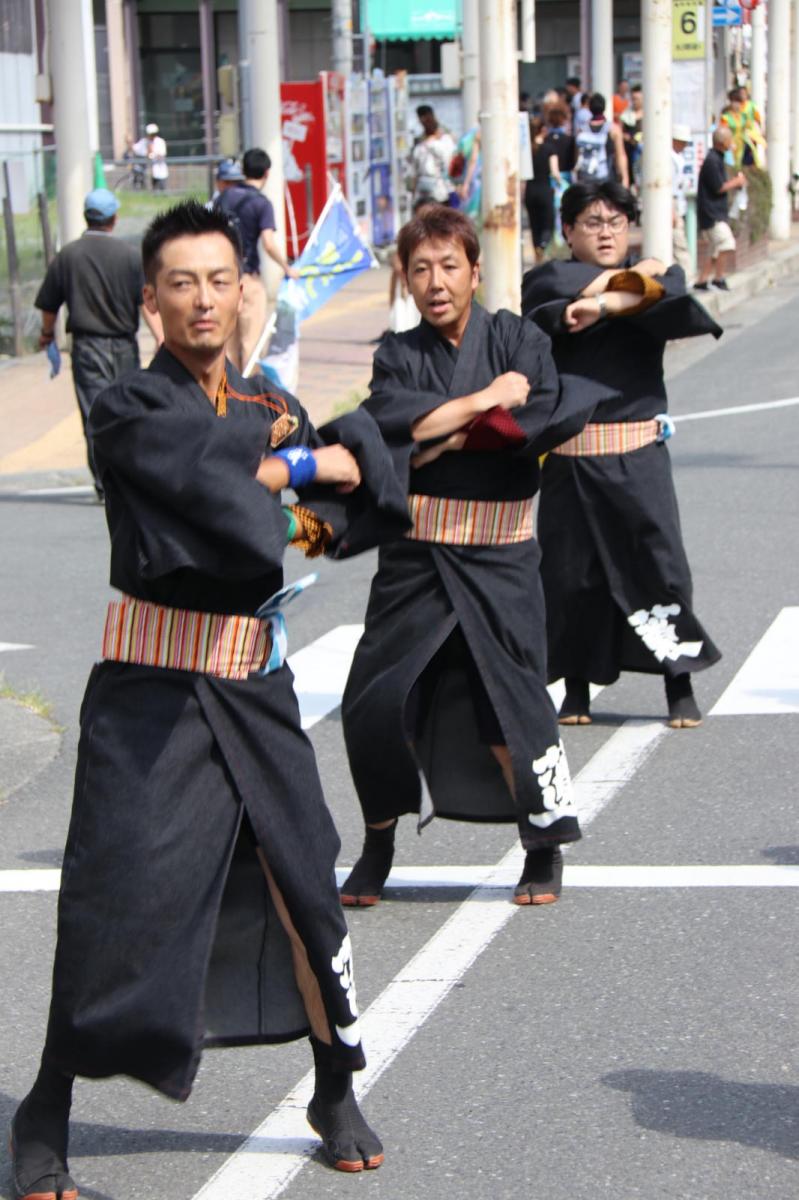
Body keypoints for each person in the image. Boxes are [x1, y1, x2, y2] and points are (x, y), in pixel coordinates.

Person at [8, 201, 411, 1200]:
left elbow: (317, 528)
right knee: (114, 902)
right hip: (150, 693)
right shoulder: (127, 409)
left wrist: (306, 486)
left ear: (243, 291)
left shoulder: (266, 396)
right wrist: (300, 464)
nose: (200, 300)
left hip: (254, 684)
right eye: (179, 283)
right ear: (149, 302)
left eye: (218, 280)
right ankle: (46, 1107)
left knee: (306, 887)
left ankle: (333, 1085)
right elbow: (213, 488)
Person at [338, 206, 610, 910]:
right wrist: (481, 403)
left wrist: (434, 437)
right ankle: (377, 845)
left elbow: (530, 419)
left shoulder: (518, 337)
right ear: (404, 277)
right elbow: (388, 427)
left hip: (500, 553)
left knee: (511, 707)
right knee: (374, 702)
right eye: (420, 268)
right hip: (415, 556)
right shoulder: (396, 354)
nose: (435, 282)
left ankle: (541, 843)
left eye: (448, 266)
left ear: (474, 270)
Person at [521, 180, 723, 729]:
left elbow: (677, 301)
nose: (606, 231)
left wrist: (607, 298)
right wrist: (637, 277)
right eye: (592, 222)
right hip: (572, 461)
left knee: (661, 569)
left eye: (616, 222)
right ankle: (577, 690)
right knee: (570, 577)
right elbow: (554, 308)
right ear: (567, 231)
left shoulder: (661, 279)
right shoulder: (547, 279)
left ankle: (677, 682)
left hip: (638, 455)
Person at [34, 187, 163, 501]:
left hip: (88, 347)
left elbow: (49, 305)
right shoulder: (130, 256)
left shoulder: (68, 255)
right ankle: (130, 477)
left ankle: (105, 484)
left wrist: (47, 335)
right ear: (114, 219)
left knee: (96, 415)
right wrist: (162, 337)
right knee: (129, 412)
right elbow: (146, 304)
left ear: (86, 217)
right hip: (124, 346)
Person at [214, 146, 299, 372]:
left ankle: (224, 398)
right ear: (267, 173)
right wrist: (286, 267)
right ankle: (247, 399)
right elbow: (269, 244)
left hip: (222, 280)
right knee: (251, 343)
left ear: (243, 170)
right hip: (249, 279)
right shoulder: (262, 204)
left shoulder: (223, 198)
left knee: (227, 345)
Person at [694, 126, 746, 293]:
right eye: (730, 140)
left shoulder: (717, 158)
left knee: (715, 247)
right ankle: (718, 277)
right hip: (711, 212)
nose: (732, 144)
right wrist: (736, 183)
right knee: (726, 243)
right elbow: (718, 187)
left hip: (715, 211)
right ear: (723, 142)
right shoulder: (712, 160)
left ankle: (703, 279)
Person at [525, 116, 563, 260]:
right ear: (543, 130)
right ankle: (543, 245)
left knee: (535, 225)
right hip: (545, 190)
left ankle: (538, 257)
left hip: (530, 190)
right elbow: (555, 172)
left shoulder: (526, 150)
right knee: (548, 224)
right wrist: (561, 182)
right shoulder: (549, 148)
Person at [574, 93, 629, 187]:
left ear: (589, 108)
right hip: (606, 175)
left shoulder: (582, 129)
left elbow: (577, 154)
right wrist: (625, 177)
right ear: (604, 107)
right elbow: (621, 155)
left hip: (586, 176)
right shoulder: (613, 129)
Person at [409, 104, 456, 206]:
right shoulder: (420, 141)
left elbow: (450, 161)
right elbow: (414, 170)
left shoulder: (444, 137)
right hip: (433, 190)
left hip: (437, 190)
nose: (424, 121)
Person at [671, 125, 693, 282]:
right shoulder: (670, 158)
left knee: (677, 244)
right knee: (679, 244)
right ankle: (687, 278)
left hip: (678, 203)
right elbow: (670, 187)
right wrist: (671, 210)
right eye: (682, 141)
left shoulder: (678, 157)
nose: (685, 145)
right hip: (672, 205)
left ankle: (684, 278)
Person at [129, 123, 169, 190]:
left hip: (159, 170)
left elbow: (162, 155)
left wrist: (152, 153)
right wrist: (129, 141)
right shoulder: (144, 141)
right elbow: (135, 148)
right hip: (147, 169)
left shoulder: (160, 142)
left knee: (162, 188)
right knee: (152, 189)